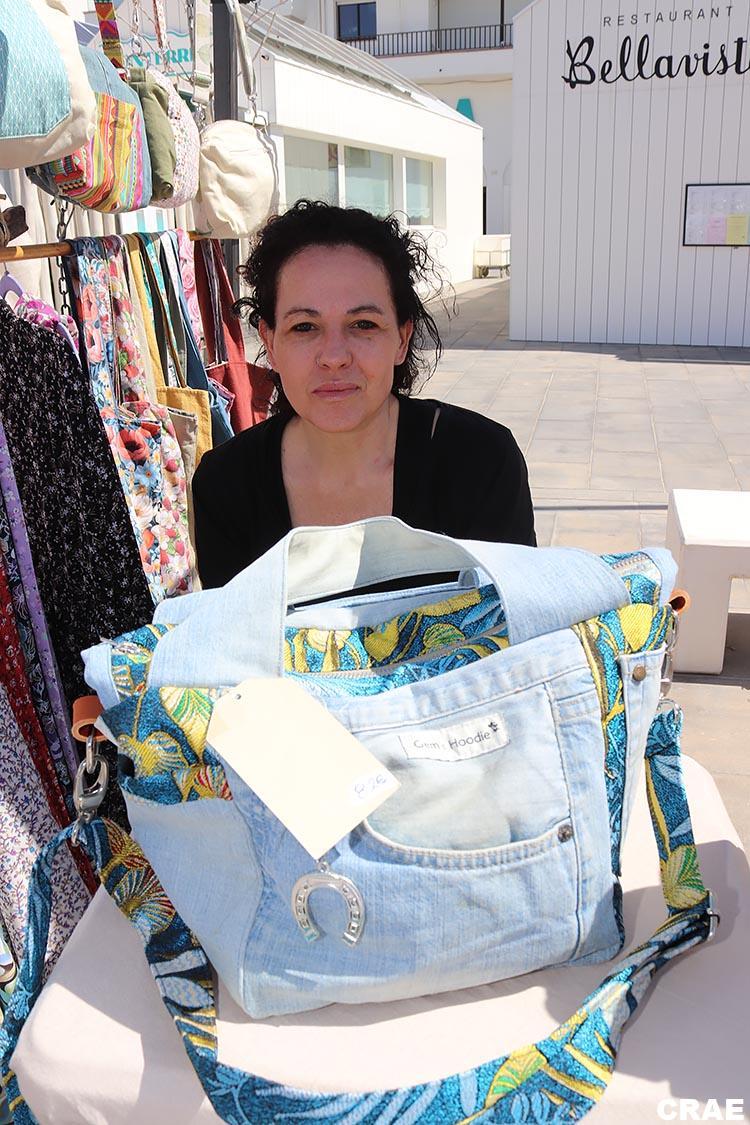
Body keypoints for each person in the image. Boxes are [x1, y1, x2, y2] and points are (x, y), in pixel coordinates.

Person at [192, 200, 535, 589]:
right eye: (304, 327)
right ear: (270, 343)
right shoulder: (225, 485)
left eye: (363, 324)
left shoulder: (480, 463)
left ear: (402, 339)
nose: (334, 357)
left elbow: (517, 617)